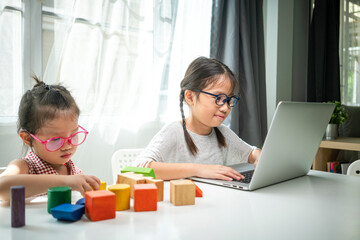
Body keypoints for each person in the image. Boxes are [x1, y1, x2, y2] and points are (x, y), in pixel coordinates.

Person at [134, 56, 261, 181]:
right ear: (190, 97)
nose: (225, 108)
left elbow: (251, 153)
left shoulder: (222, 133)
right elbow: (137, 168)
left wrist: (258, 156)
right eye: (218, 98)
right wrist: (198, 169)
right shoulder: (175, 132)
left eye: (228, 100)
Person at [0, 76, 100, 201]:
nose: (68, 146)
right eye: (56, 140)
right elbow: (2, 186)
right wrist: (65, 182)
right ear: (27, 138)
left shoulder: (74, 172)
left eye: (73, 135)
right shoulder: (25, 167)